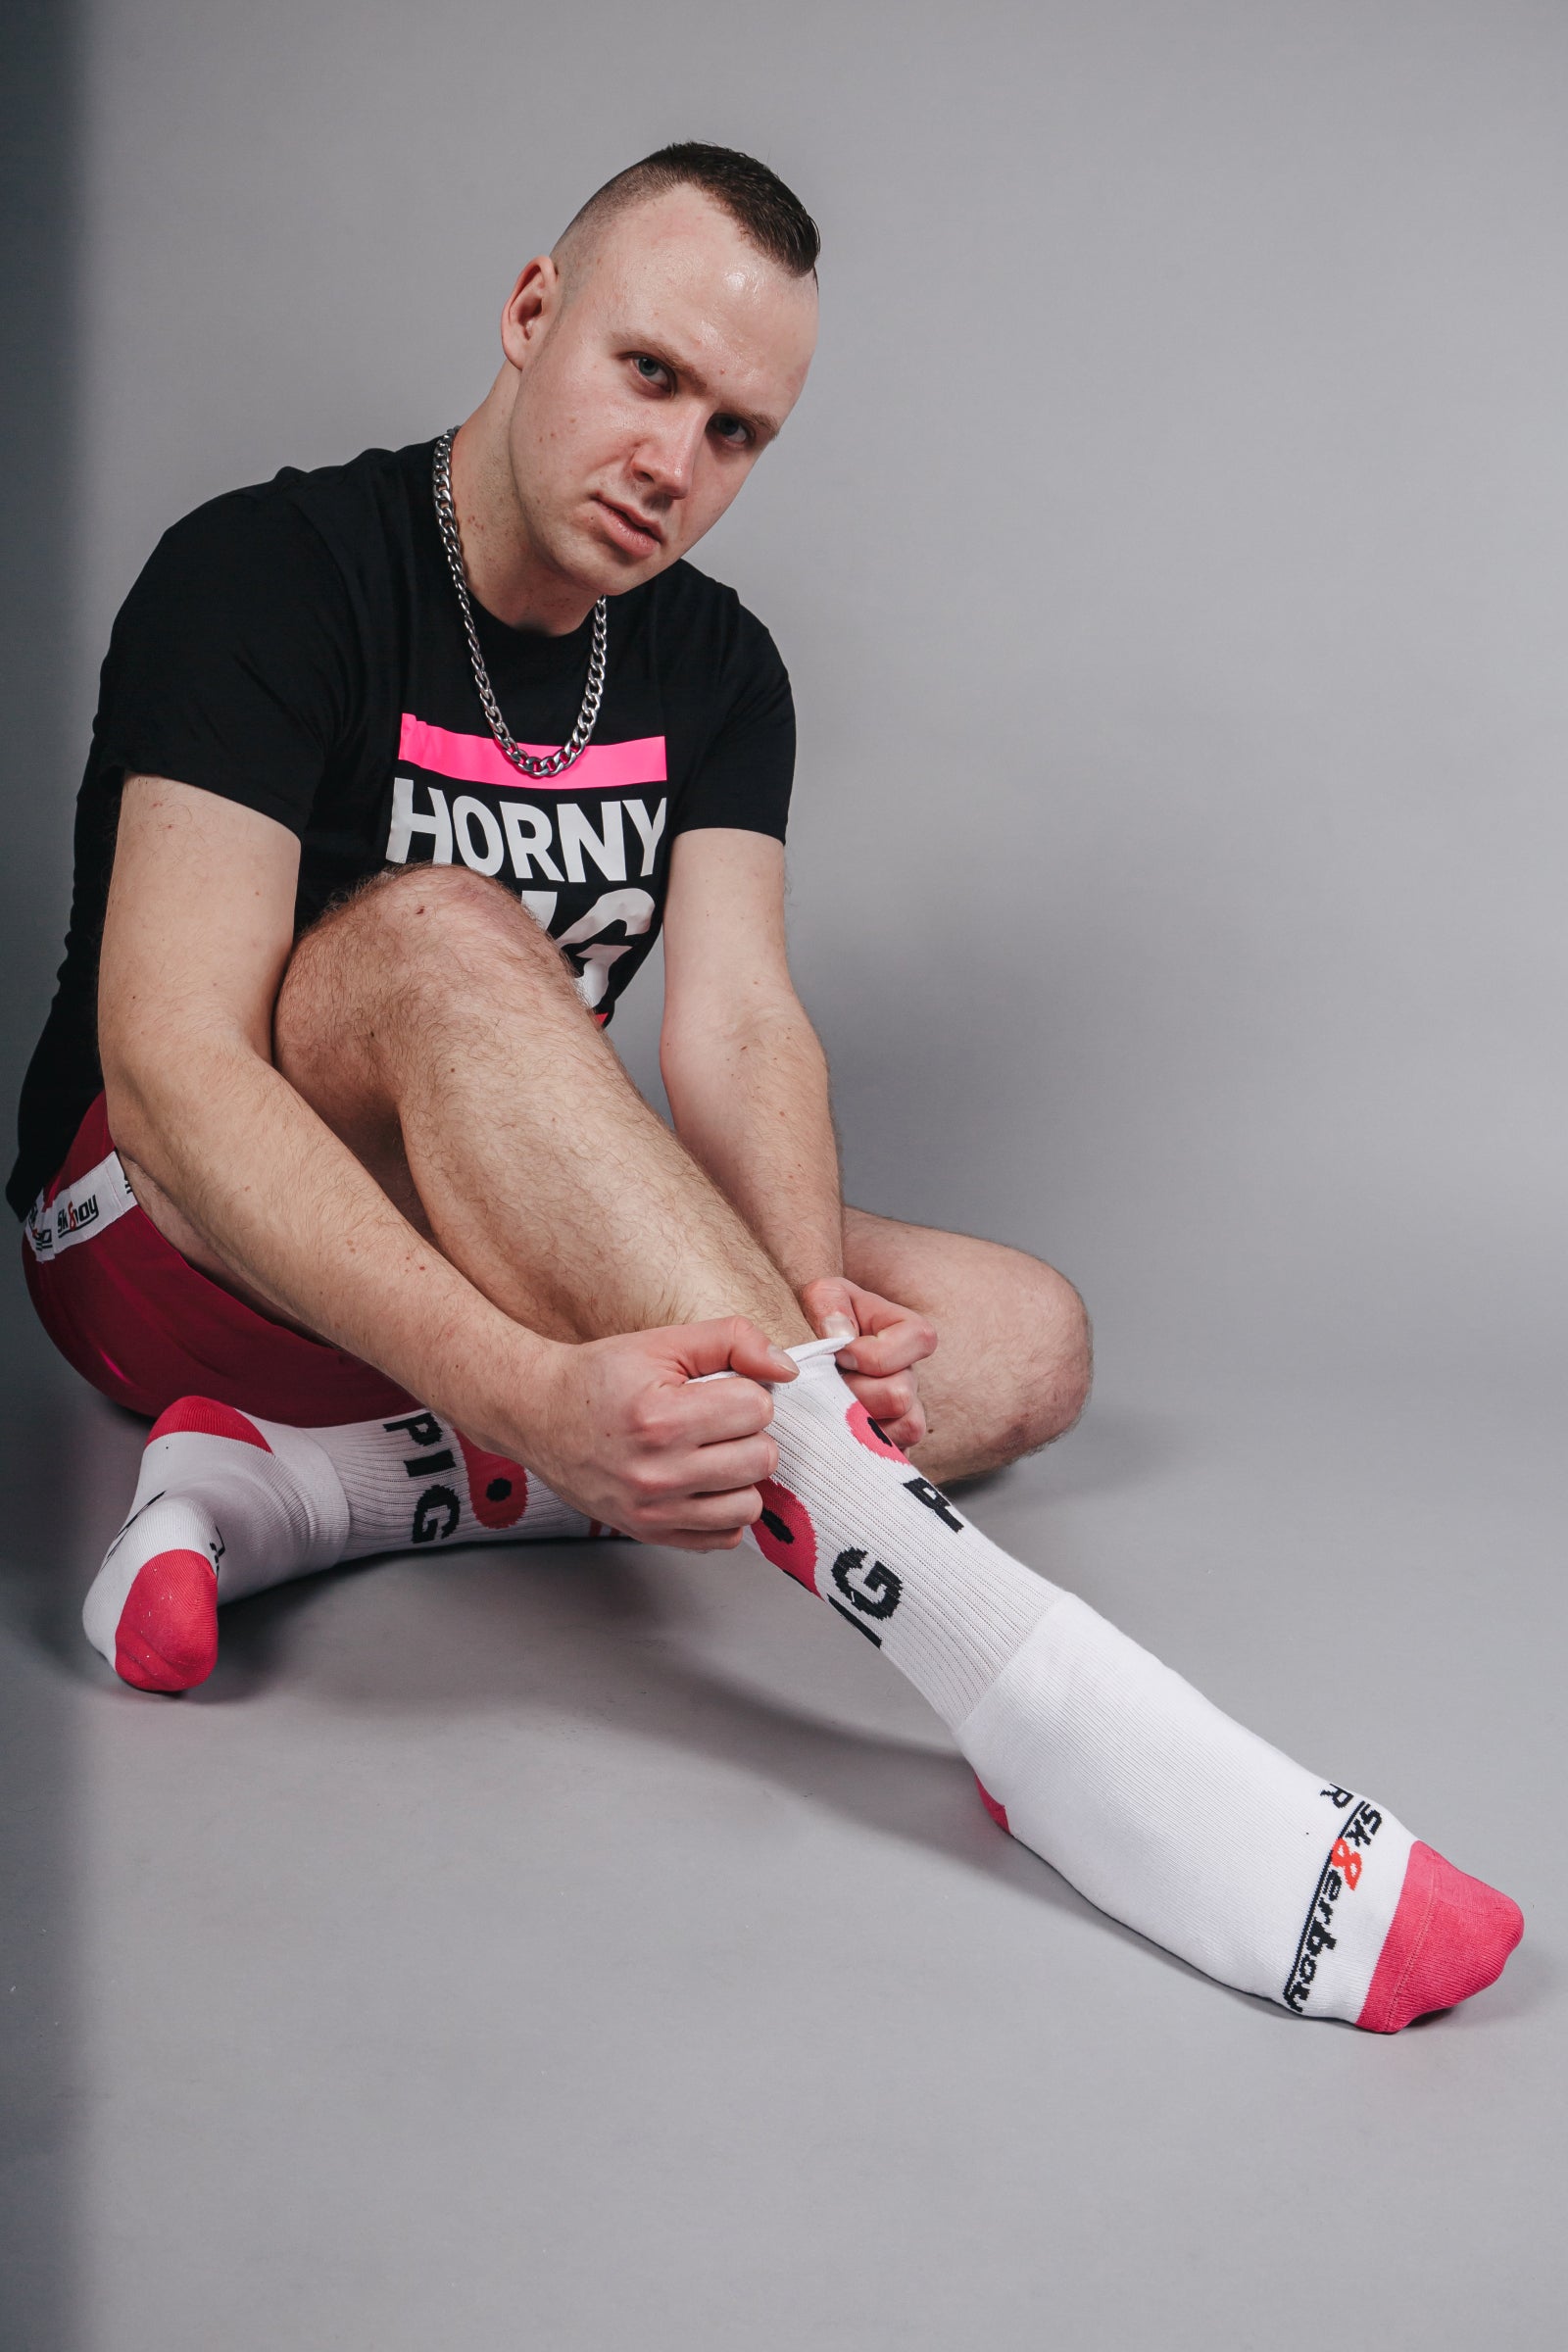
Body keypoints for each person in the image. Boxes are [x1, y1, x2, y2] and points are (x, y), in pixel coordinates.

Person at [10, 145, 1520, 2032]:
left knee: (1021, 1338)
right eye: (648, 375)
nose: (675, 461)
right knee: (442, 935)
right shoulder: (270, 570)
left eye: (736, 432)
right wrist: (525, 1389)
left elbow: (735, 1028)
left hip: (477, 1218)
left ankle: (297, 1492)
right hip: (165, 1240)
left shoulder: (716, 666)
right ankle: (1027, 1688)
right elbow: (166, 1077)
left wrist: (808, 1301)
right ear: (533, 312)